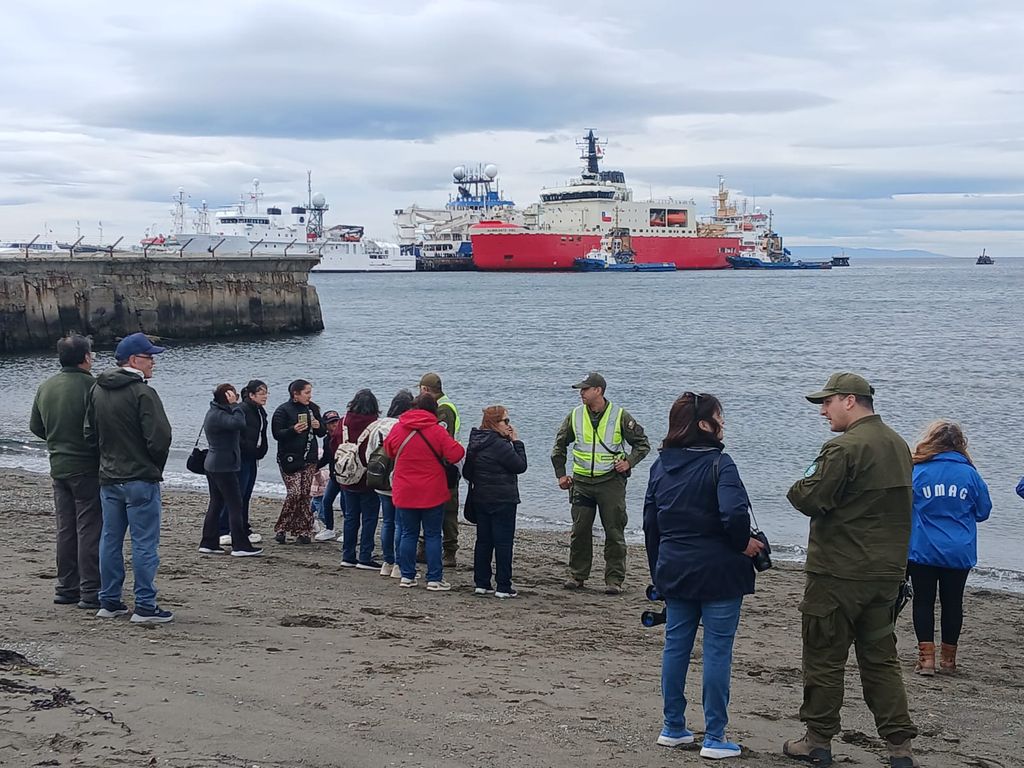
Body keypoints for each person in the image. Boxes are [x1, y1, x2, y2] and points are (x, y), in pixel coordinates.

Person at [785, 372, 919, 768]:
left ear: (849, 400)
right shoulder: (899, 445)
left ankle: (817, 740)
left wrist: (802, 488)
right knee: (881, 659)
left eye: (827, 402)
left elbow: (807, 497)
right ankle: (899, 747)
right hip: (885, 575)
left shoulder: (843, 448)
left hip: (839, 574)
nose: (823, 411)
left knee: (824, 657)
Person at [643, 392, 765, 760]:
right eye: (719, 416)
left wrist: (659, 571)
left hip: (676, 568)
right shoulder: (721, 464)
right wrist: (744, 543)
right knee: (716, 651)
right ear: (703, 424)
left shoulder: (660, 466)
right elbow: (733, 514)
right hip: (720, 573)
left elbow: (651, 525)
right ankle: (714, 736)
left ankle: (673, 727)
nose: (723, 422)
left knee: (676, 648)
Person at [84, 332, 174, 624]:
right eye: (150, 358)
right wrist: (151, 465)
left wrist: (108, 459)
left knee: (110, 540)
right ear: (134, 360)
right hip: (139, 478)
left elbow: (89, 434)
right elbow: (160, 438)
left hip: (110, 477)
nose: (154, 363)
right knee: (144, 543)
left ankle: (109, 601)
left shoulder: (97, 389)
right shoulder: (143, 393)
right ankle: (145, 606)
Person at [551, 372, 650, 594]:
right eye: (580, 389)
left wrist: (629, 462)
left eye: (585, 389)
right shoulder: (575, 416)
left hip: (610, 483)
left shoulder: (620, 416)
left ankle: (614, 580)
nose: (581, 393)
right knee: (580, 531)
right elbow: (559, 446)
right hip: (582, 482)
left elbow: (642, 444)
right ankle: (577, 575)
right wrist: (560, 475)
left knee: (614, 531)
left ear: (599, 391)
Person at [907, 420, 992, 676]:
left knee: (923, 601)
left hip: (923, 549)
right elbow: (983, 511)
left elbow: (904, 504)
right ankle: (948, 661)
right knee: (953, 603)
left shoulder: (918, 471)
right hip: (958, 551)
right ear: (961, 445)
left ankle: (926, 660)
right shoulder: (970, 475)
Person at [29, 334, 102, 609]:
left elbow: (36, 426)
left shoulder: (47, 386)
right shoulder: (92, 386)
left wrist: (57, 440)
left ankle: (66, 586)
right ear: (86, 358)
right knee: (89, 528)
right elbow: (101, 425)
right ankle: (90, 589)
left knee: (66, 528)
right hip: (86, 466)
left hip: (59, 465)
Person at [385, 393, 465, 591]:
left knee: (408, 533)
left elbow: (389, 451)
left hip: (405, 489)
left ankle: (407, 575)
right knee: (432, 535)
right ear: (433, 409)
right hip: (432, 490)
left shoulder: (399, 428)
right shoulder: (437, 431)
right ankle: (434, 578)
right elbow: (456, 454)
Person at [462, 406, 527, 598]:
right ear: (494, 423)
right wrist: (517, 442)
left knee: (483, 541)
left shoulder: (475, 441)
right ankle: (503, 586)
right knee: (503, 543)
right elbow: (520, 466)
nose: (509, 425)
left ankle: (481, 583)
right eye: (505, 421)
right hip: (502, 499)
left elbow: (467, 471)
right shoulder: (499, 444)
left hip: (481, 497)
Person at [198, 384, 263, 557]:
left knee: (217, 502)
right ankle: (240, 545)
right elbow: (240, 423)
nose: (237, 396)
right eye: (233, 394)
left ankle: (209, 542)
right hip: (223, 466)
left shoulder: (215, 412)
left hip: (214, 464)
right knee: (235, 504)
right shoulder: (219, 415)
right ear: (227, 396)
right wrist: (235, 406)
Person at [364, 389, 415, 578]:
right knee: (401, 523)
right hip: (398, 479)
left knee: (387, 521)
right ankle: (399, 565)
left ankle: (387, 562)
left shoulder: (378, 425)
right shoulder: (403, 427)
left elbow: (369, 453)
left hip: (379, 477)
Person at [271, 379, 326, 545]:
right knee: (294, 492)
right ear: (296, 394)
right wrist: (292, 430)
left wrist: (318, 426)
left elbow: (322, 432)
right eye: (307, 392)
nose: (310, 395)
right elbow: (276, 433)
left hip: (309, 458)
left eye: (310, 392)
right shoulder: (283, 410)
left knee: (304, 495)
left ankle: (303, 530)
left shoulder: (313, 409)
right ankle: (281, 527)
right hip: (289, 458)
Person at [219, 379, 269, 547]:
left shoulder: (260, 411)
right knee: (236, 495)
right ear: (251, 395)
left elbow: (261, 433)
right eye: (262, 393)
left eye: (266, 393)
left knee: (246, 494)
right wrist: (248, 449)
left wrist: (261, 450)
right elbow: (236, 433)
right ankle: (224, 529)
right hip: (240, 458)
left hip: (252, 457)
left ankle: (242, 527)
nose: (265, 397)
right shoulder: (242, 409)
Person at [419, 372, 461, 568]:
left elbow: (443, 440)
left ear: (425, 390)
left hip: (446, 466)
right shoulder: (439, 406)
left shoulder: (444, 409)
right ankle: (425, 547)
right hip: (435, 465)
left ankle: (450, 550)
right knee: (427, 505)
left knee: (449, 509)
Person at [338, 389, 383, 569]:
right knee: (369, 518)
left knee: (350, 517)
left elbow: (335, 444)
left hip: (346, 475)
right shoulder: (375, 425)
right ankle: (365, 556)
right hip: (367, 477)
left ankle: (347, 555)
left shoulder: (344, 422)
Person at [314, 409, 344, 542]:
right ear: (325, 425)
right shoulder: (327, 439)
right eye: (331, 423)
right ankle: (329, 529)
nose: (334, 425)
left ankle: (347, 531)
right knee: (326, 501)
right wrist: (314, 467)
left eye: (336, 421)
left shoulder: (344, 437)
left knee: (346, 505)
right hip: (334, 476)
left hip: (345, 476)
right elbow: (327, 457)